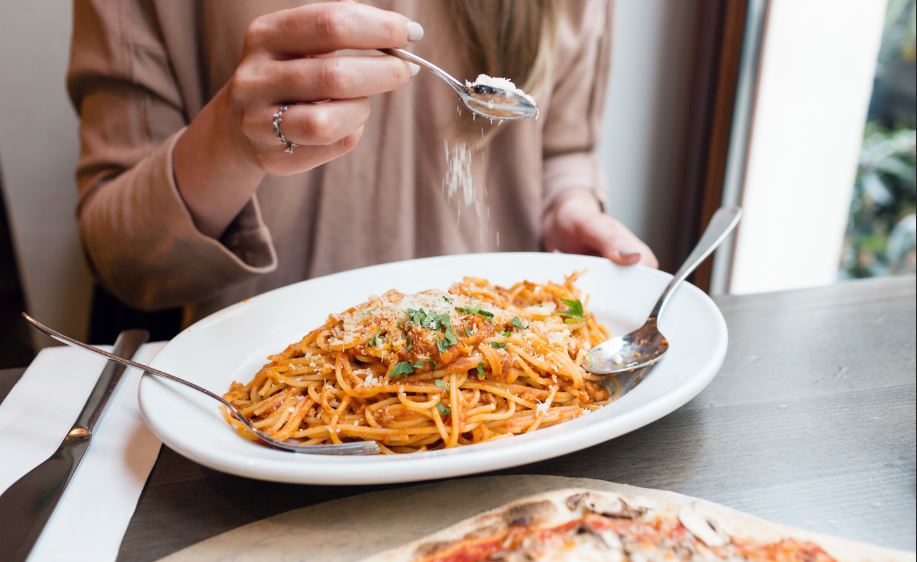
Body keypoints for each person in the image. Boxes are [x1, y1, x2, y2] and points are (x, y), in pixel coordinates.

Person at [67, 0, 658, 323]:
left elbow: (561, 148)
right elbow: (123, 260)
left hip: (516, 386)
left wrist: (570, 207)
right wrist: (228, 141)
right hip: (272, 413)